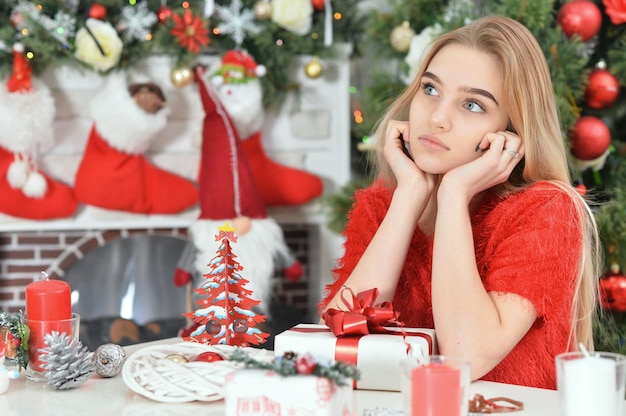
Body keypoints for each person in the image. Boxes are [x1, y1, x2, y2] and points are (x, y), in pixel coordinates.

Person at [318, 15, 602, 390]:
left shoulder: (546, 210)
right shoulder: (385, 203)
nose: (436, 118)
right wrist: (409, 198)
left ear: (510, 133)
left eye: (472, 105)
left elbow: (466, 354)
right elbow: (341, 333)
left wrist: (453, 194)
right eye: (431, 90)